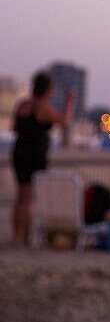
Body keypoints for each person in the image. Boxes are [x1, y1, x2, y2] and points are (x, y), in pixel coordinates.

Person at [11, 70, 75, 245]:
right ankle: (25, 237)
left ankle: (16, 235)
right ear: (47, 89)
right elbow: (64, 121)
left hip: (19, 152)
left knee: (20, 195)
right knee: (29, 197)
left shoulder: (22, 104)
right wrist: (69, 102)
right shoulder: (42, 106)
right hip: (35, 154)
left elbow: (13, 128)